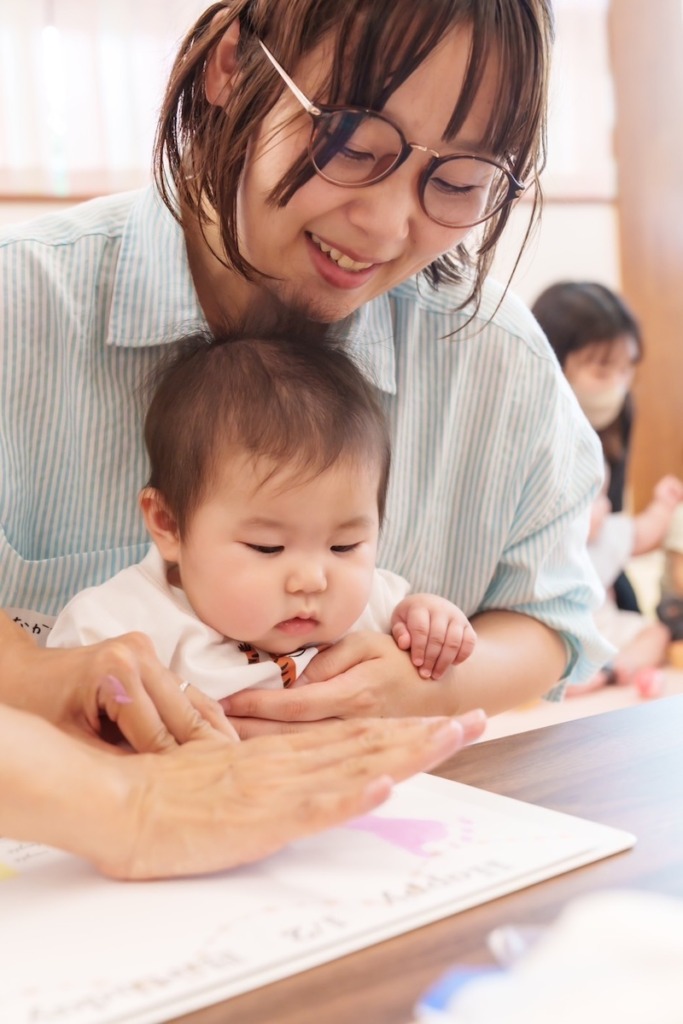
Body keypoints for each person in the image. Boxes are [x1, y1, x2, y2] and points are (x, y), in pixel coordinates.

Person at [1, 0, 609, 741]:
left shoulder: (491, 357)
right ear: (234, 65)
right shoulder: (22, 307)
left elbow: (547, 620)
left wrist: (419, 689)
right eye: (350, 140)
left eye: (457, 182)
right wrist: (40, 678)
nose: (386, 226)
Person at [48, 320, 477, 692]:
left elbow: (415, 627)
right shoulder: (121, 626)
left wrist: (430, 621)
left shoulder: (375, 606)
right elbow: (64, 708)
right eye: (267, 547)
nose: (311, 580)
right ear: (169, 525)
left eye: (344, 546)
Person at [531, 280, 643, 613]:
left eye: (626, 369)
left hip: (598, 572)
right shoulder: (531, 423)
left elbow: (613, 514)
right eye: (601, 370)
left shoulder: (620, 411)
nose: (617, 385)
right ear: (555, 359)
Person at [572, 463, 683, 696]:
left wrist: (664, 503)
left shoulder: (606, 535)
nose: (608, 505)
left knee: (657, 633)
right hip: (564, 634)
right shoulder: (543, 546)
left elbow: (645, 531)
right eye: (598, 497)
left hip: (606, 624)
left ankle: (618, 667)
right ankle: (572, 677)